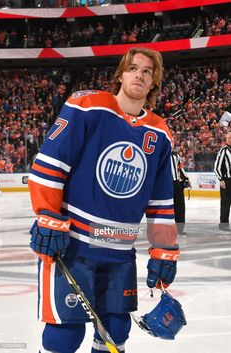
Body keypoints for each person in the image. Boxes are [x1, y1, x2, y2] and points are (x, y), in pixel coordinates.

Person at [28, 47, 180, 353]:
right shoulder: (88, 105)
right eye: (133, 68)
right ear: (121, 75)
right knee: (63, 333)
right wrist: (47, 216)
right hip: (73, 245)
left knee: (115, 331)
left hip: (120, 250)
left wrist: (164, 250)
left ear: (154, 83)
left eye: (147, 71)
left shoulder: (160, 133)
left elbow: (161, 200)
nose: (139, 74)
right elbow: (49, 165)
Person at [214, 131, 231, 233]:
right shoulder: (223, 151)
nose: (230, 139)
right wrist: (221, 179)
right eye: (228, 138)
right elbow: (217, 167)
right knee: (225, 203)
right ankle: (223, 224)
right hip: (227, 181)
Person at [171, 149, 191, 236]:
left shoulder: (175, 154)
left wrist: (186, 178)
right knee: (166, 208)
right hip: (165, 184)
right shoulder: (160, 153)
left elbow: (180, 167)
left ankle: (179, 229)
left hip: (176, 183)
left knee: (180, 206)